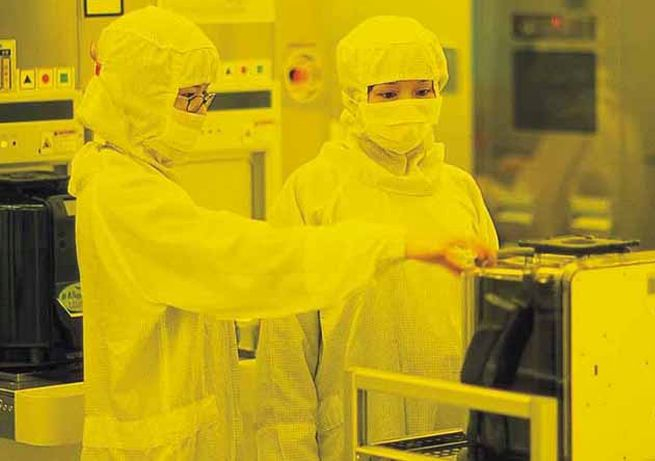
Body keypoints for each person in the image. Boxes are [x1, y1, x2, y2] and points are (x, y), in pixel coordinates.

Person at [70, 7, 492, 460]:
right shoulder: (121, 196)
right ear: (138, 95)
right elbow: (245, 262)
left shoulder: (459, 189)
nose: (198, 114)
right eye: (187, 98)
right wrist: (394, 244)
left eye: (202, 98)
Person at [255, 16, 499, 461]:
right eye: (387, 94)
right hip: (353, 430)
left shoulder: (459, 190)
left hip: (454, 428)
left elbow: (492, 321)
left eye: (421, 91)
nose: (407, 106)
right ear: (354, 97)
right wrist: (289, 446)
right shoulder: (314, 191)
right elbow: (285, 350)